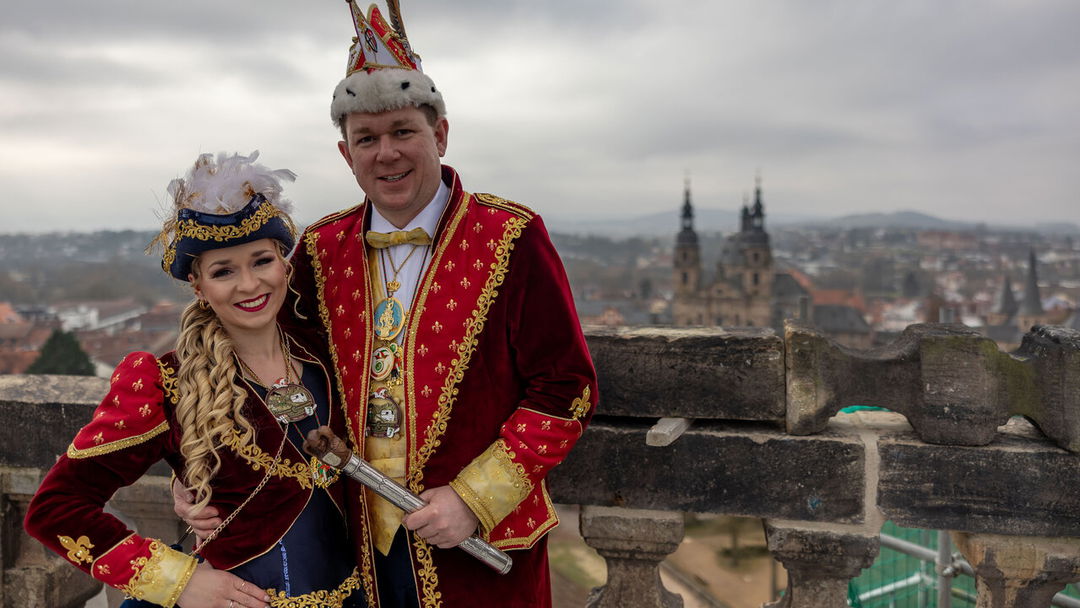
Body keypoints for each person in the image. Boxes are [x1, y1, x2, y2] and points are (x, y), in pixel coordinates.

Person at [178, 2, 599, 606]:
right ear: (346, 155)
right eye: (366, 139)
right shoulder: (321, 248)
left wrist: (475, 498)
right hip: (353, 542)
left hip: (478, 541)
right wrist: (193, 470)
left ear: (441, 134)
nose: (387, 153)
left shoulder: (510, 235)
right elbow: (260, 360)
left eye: (404, 132)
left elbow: (567, 389)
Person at [24, 152, 363, 608]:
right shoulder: (165, 384)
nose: (249, 284)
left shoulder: (326, 354)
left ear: (285, 264)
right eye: (224, 271)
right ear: (199, 287)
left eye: (261, 260)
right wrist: (178, 580)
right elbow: (55, 508)